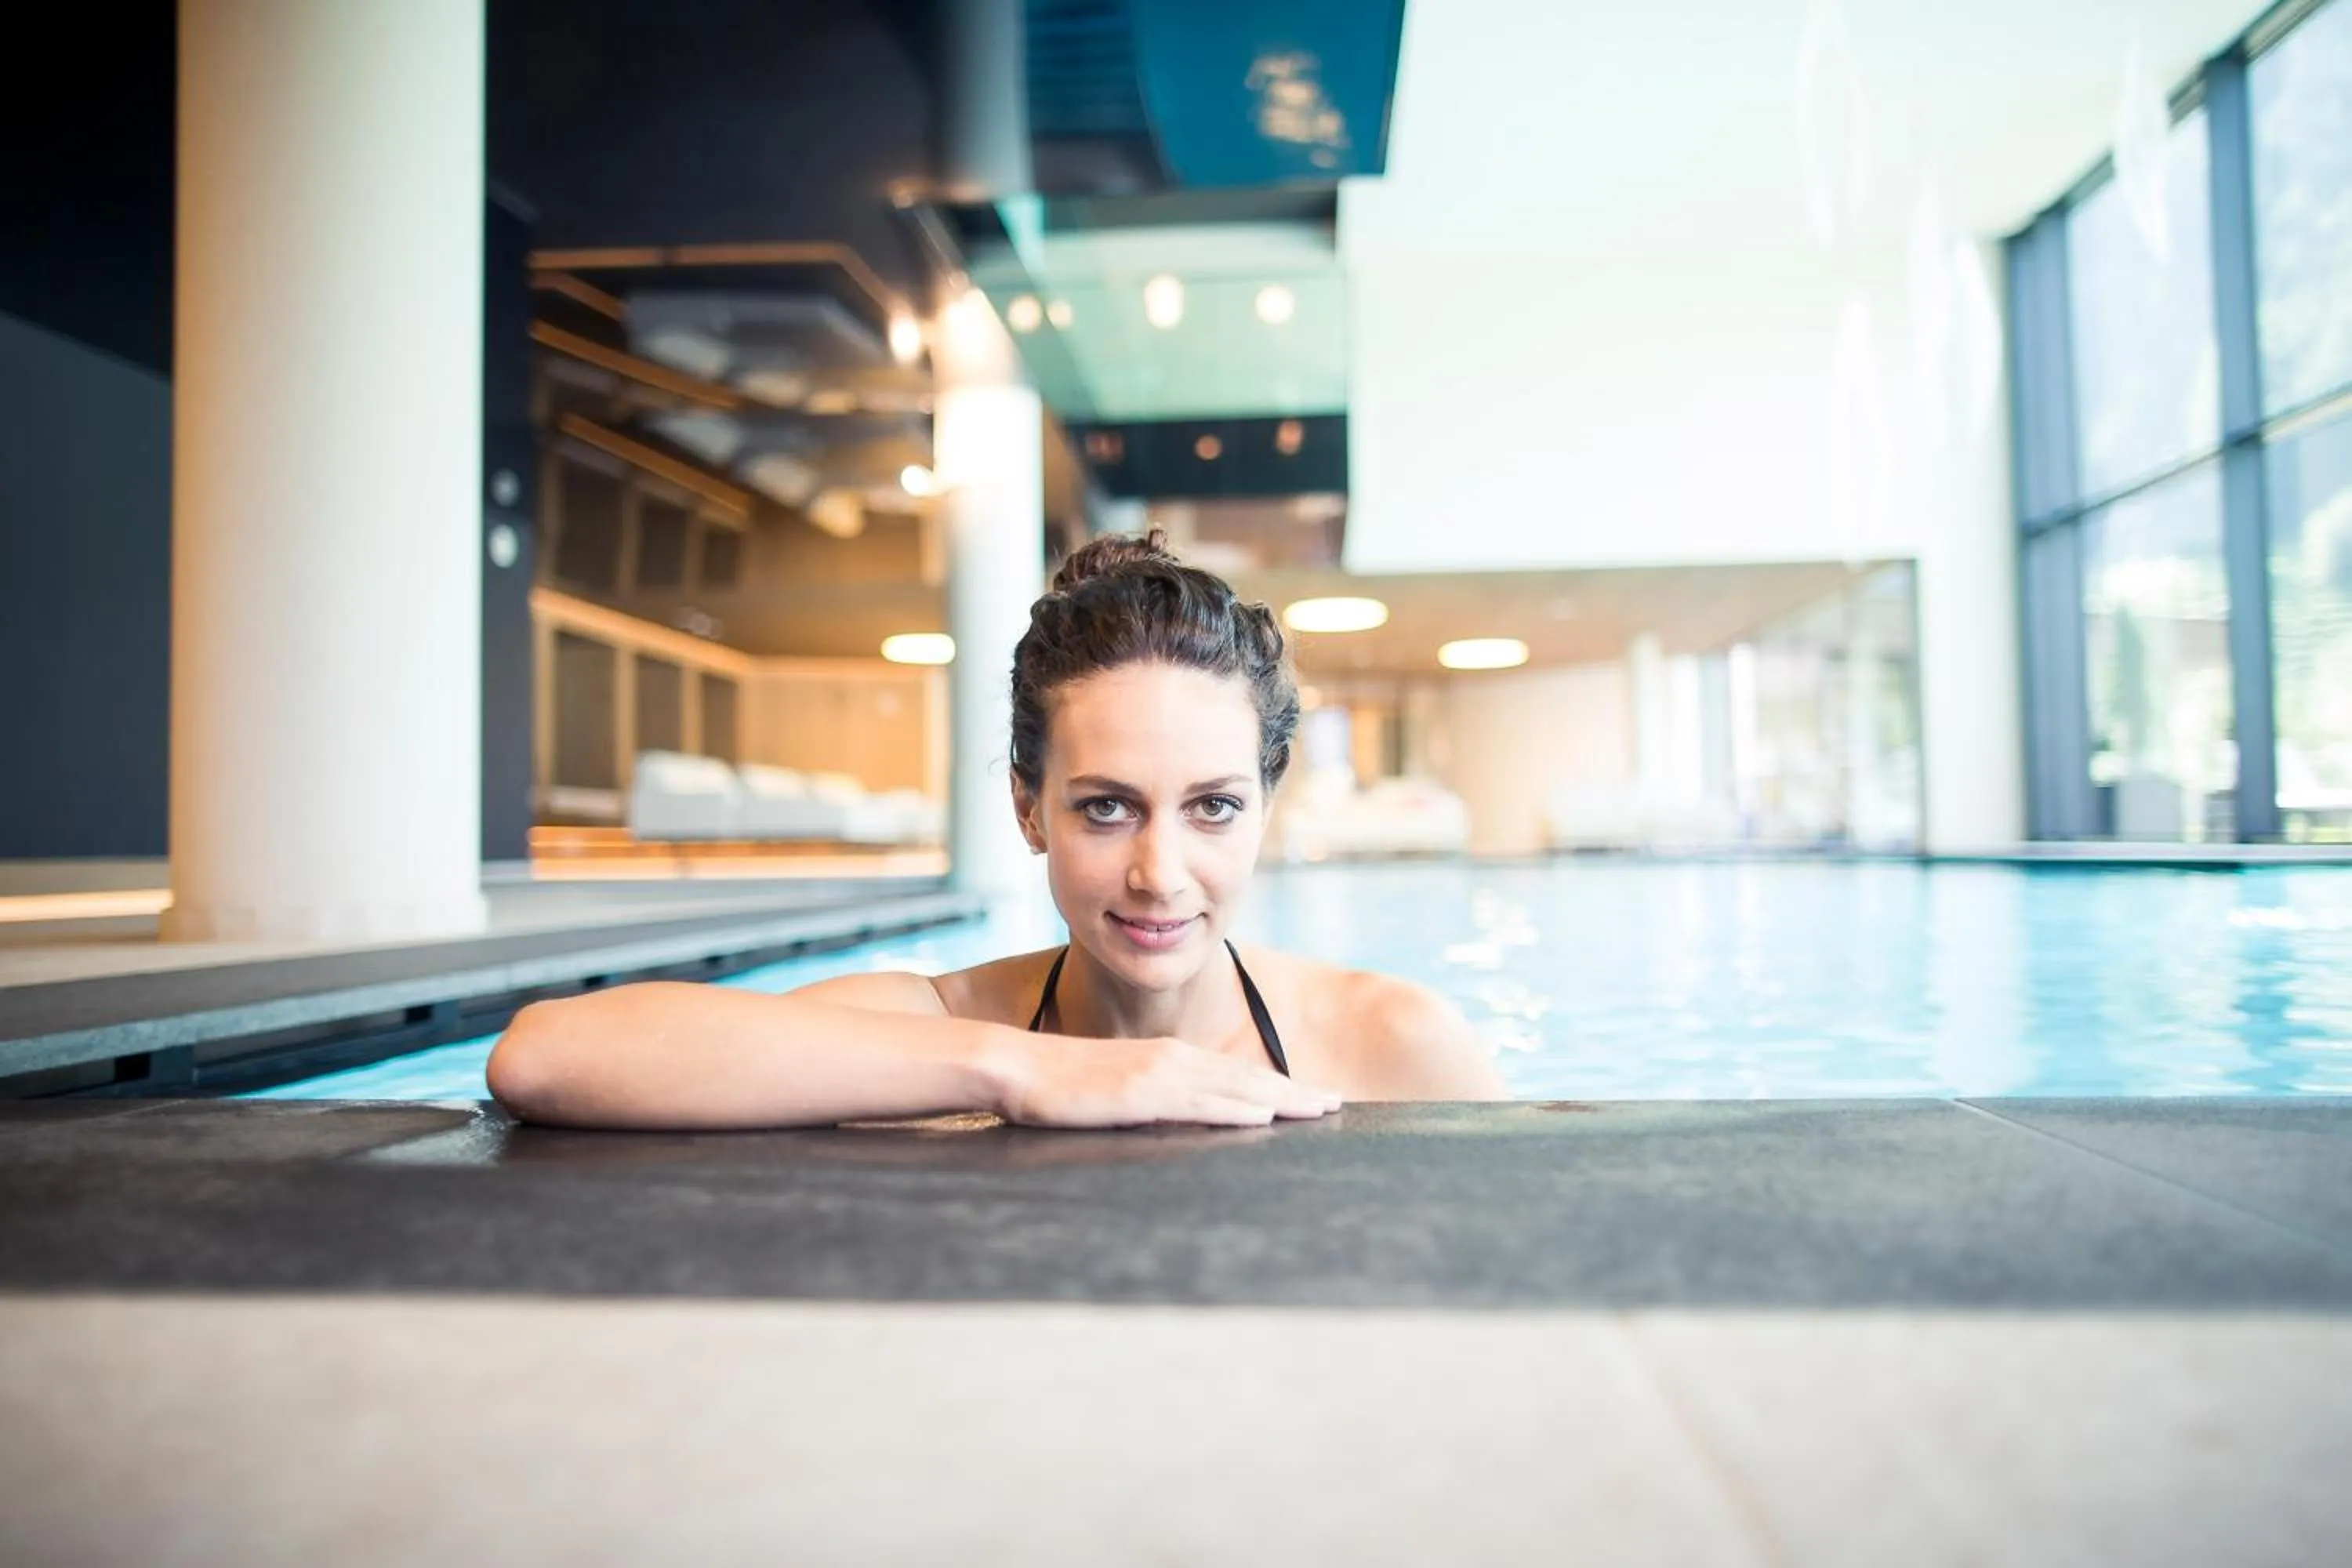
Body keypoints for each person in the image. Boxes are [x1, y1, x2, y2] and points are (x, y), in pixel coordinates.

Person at [487, 531, 1508, 1131]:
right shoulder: (948, 1028)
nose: (1160, 873)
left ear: (1265, 811)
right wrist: (1021, 1068)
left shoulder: (1388, 1046)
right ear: (1029, 806)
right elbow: (542, 1055)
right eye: (1105, 807)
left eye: (1213, 807)